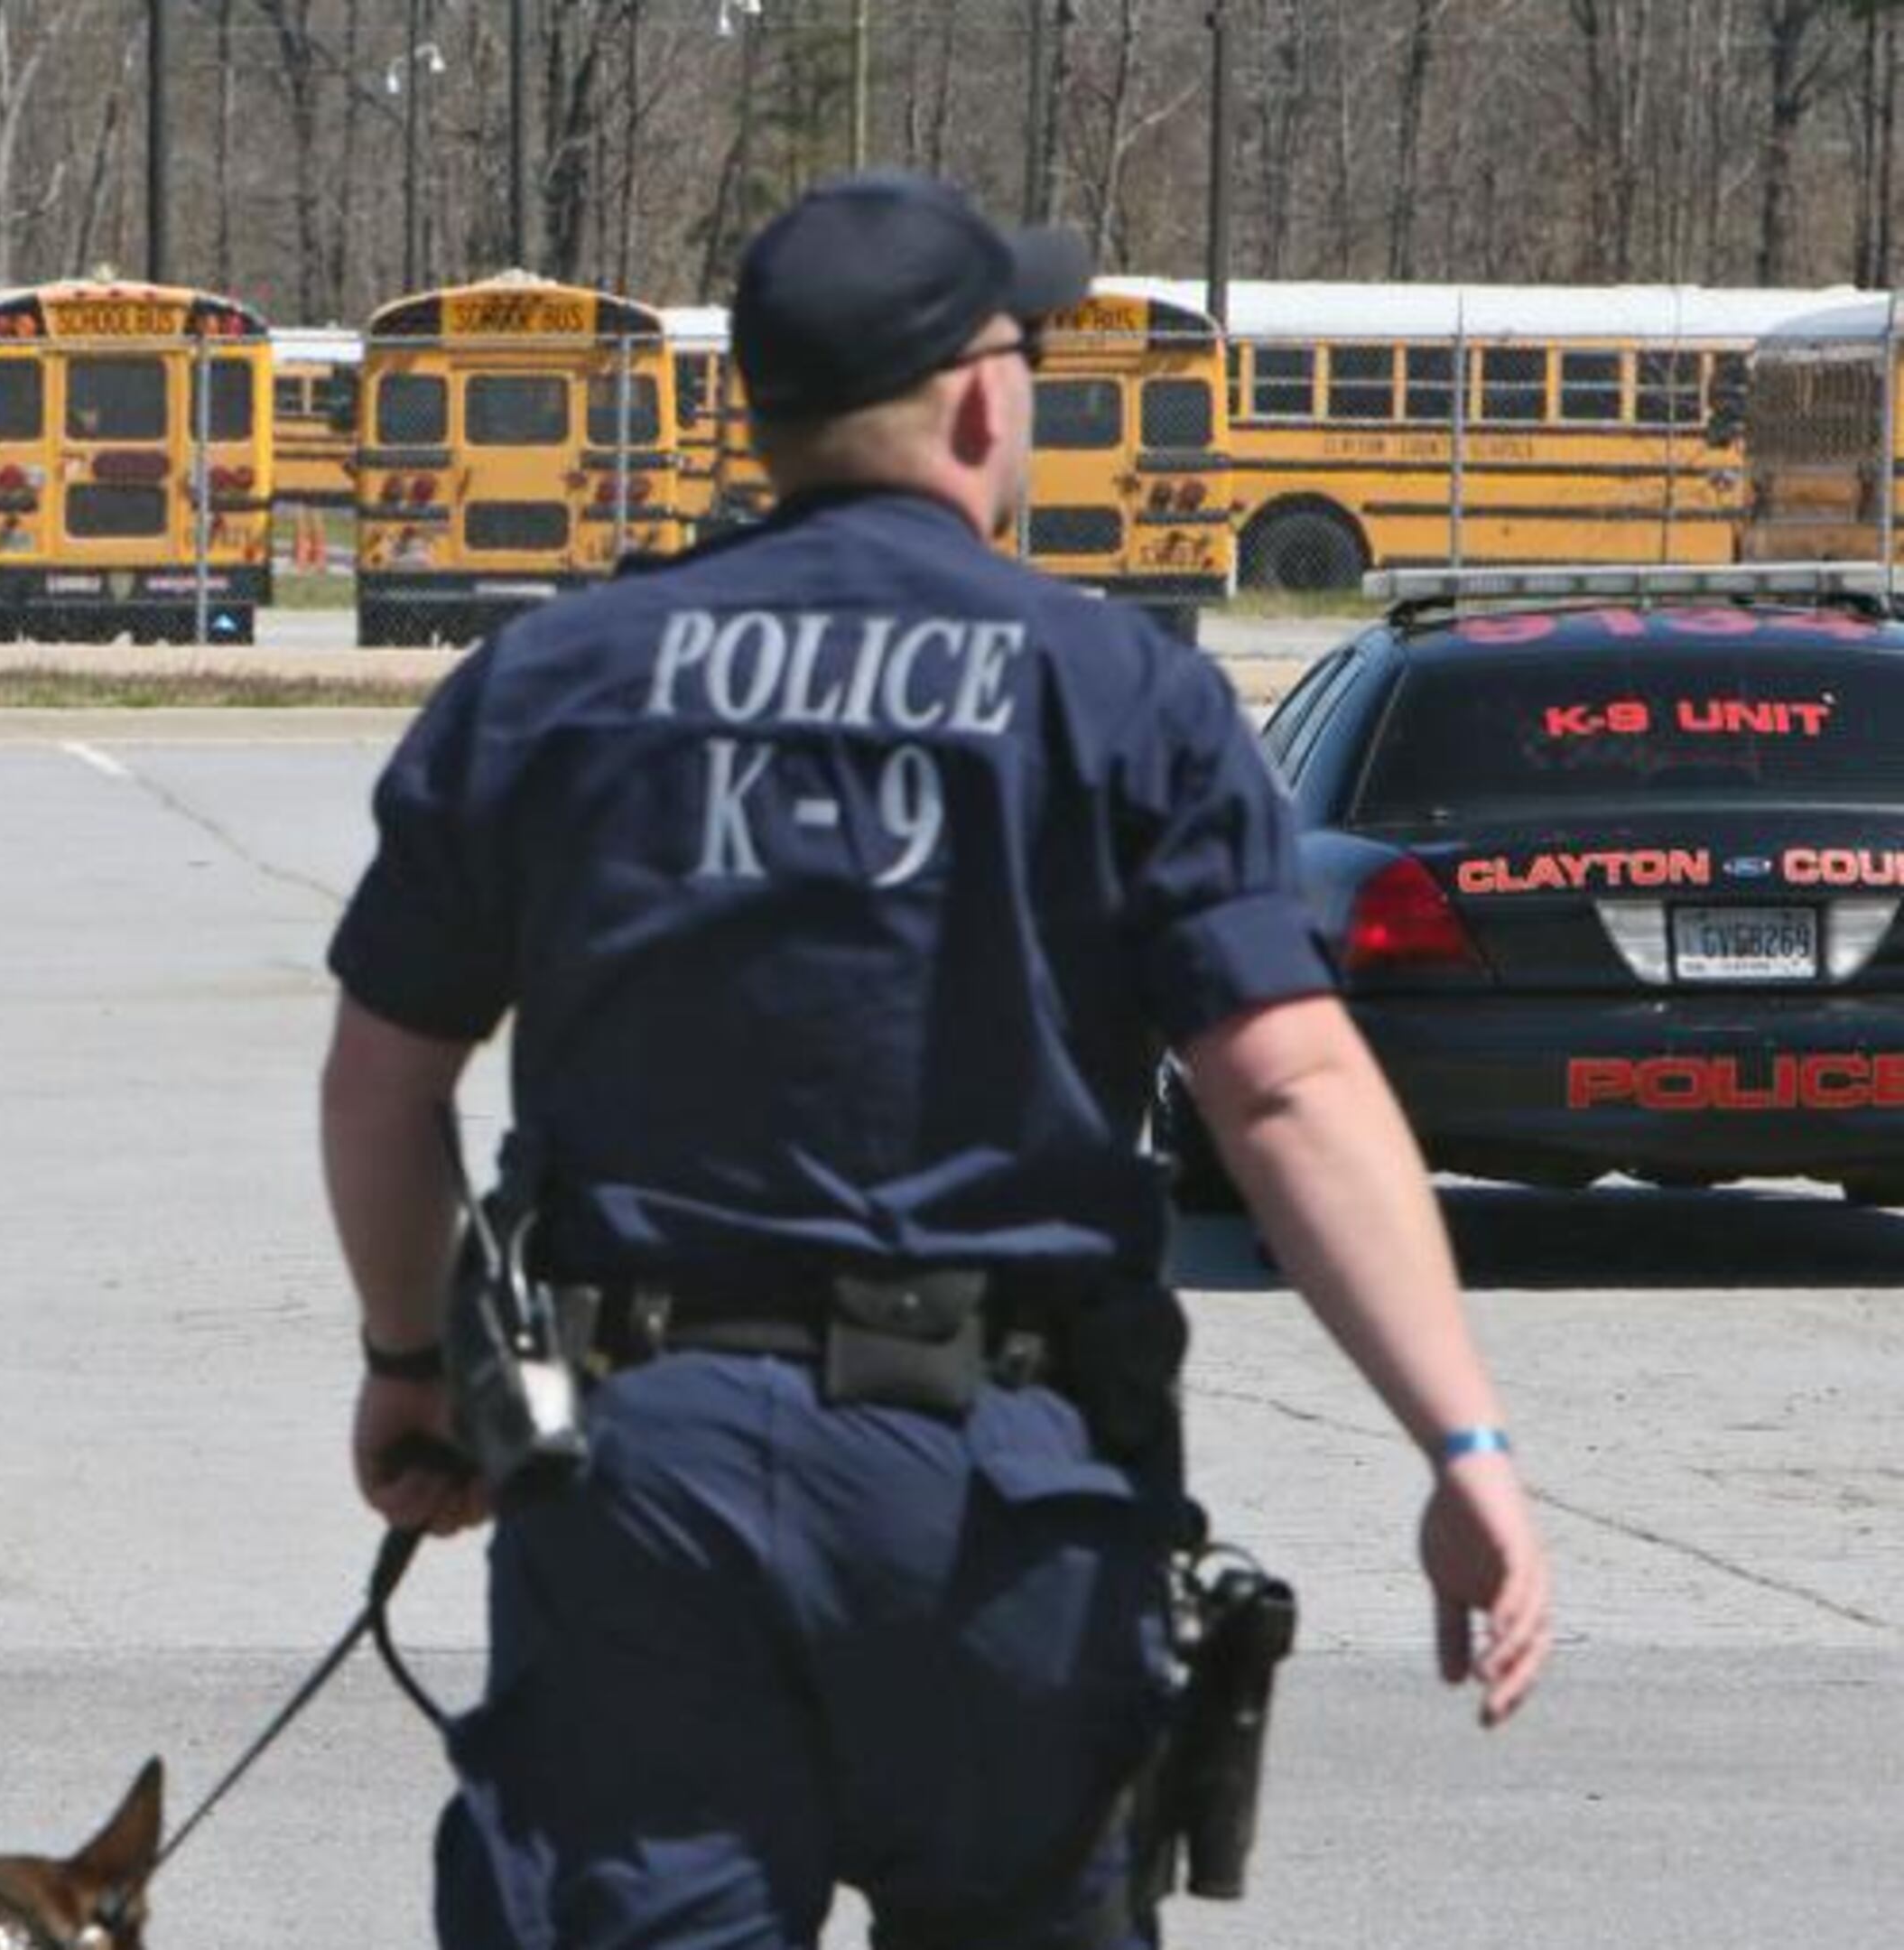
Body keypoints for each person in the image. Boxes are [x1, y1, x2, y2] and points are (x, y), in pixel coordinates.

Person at [319, 172, 1551, 1950]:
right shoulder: (1116, 693)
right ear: (982, 398)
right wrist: (1464, 1444)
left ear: (760, 413)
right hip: (1004, 1497)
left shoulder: (553, 682)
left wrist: (418, 1363)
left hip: (648, 1478)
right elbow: (1282, 1089)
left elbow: (384, 1080)